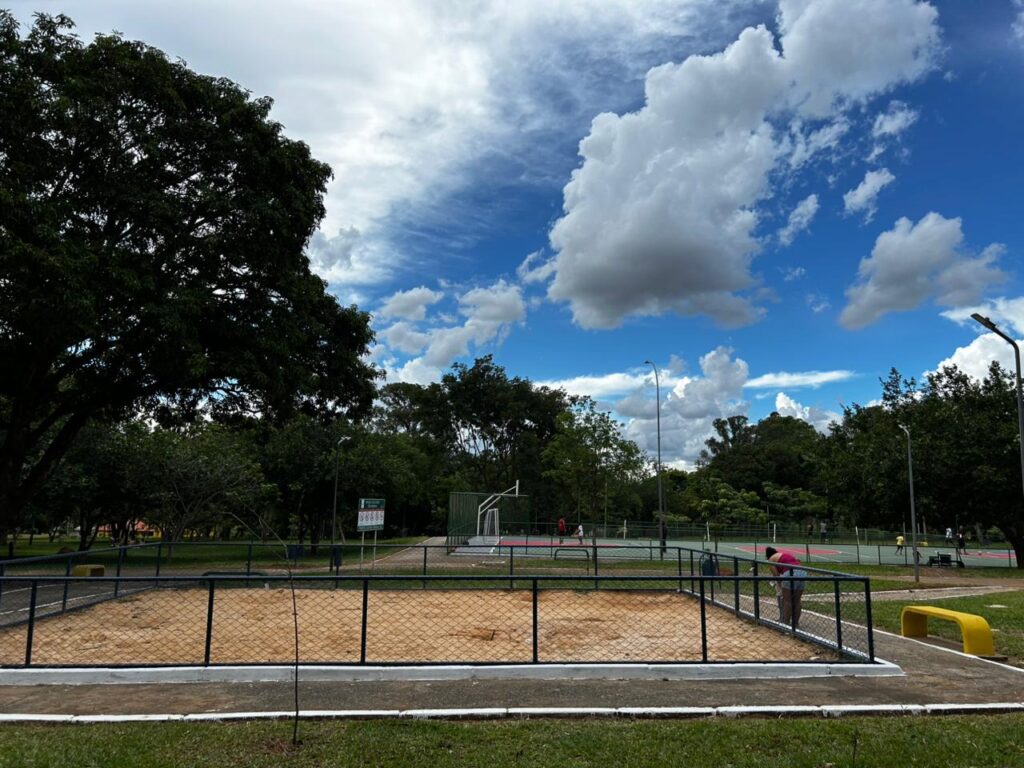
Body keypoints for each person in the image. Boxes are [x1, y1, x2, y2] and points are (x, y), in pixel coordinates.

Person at [764, 546, 805, 629]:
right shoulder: (783, 555)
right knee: (797, 601)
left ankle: (785, 623)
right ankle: (795, 624)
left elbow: (776, 575)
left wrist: (780, 586)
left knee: (787, 600)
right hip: (802, 572)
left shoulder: (771, 559)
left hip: (790, 573)